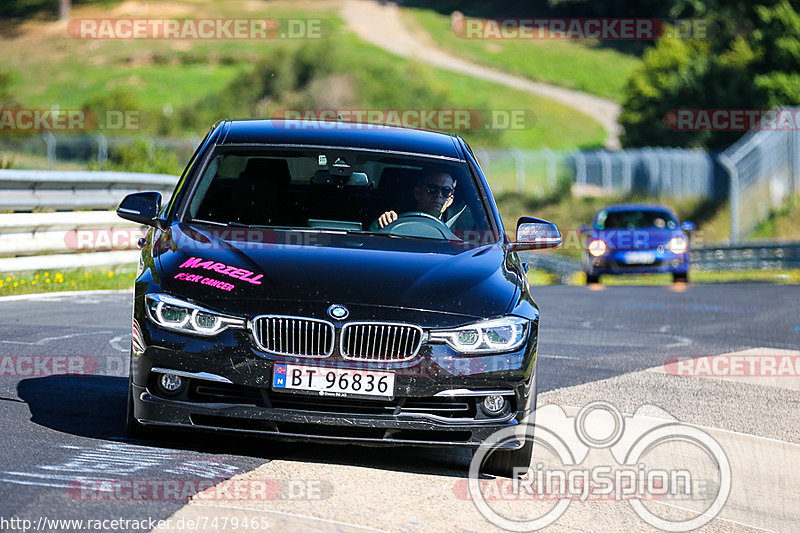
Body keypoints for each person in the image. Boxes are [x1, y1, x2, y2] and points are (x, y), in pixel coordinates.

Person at [374, 171, 456, 229]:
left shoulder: (460, 234)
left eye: (446, 191)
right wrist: (385, 225)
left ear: (451, 199)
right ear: (417, 193)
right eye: (431, 188)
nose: (438, 195)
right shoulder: (390, 221)